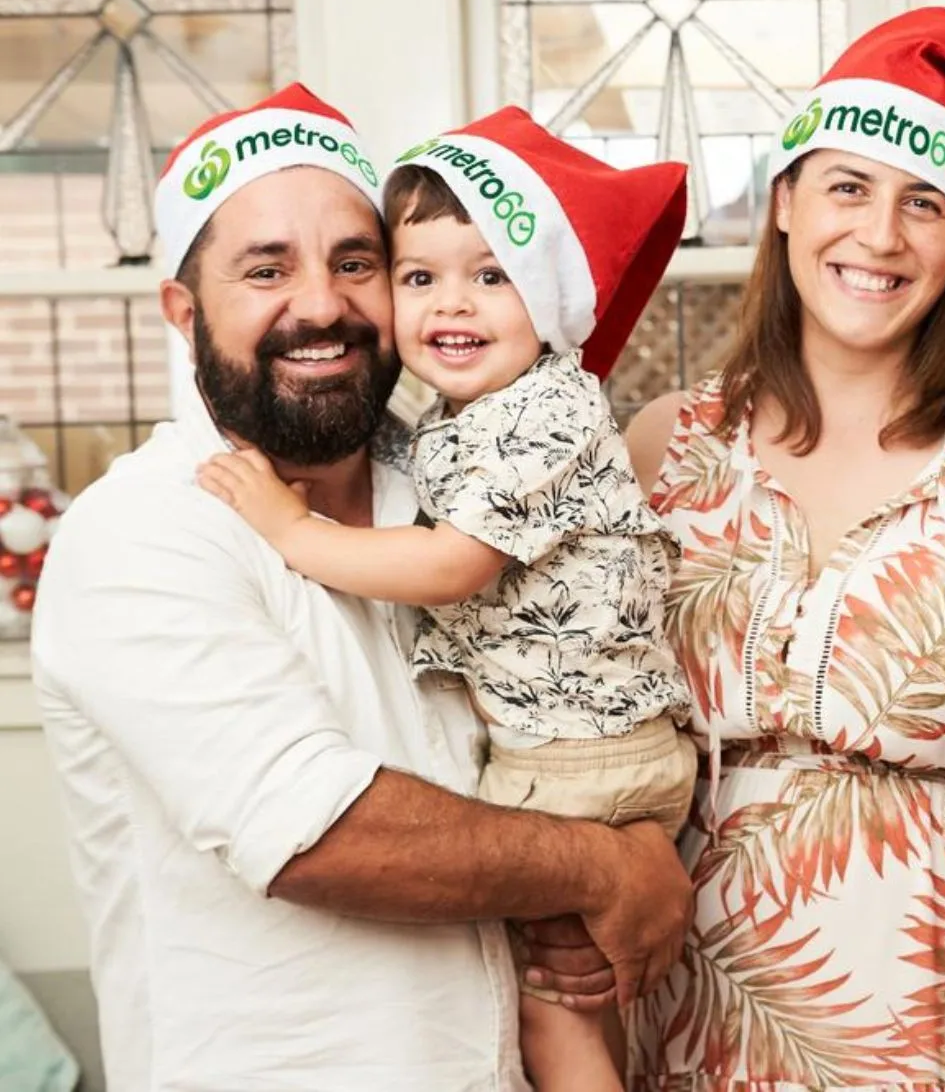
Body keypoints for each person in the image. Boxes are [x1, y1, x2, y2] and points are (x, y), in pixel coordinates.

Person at [30, 84, 691, 1091]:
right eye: (265, 269)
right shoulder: (142, 533)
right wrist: (604, 869)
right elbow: (321, 834)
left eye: (356, 262)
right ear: (183, 309)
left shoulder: (452, 479)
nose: (323, 304)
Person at [621, 7, 945, 1090]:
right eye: (847, 188)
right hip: (689, 1007)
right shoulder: (664, 448)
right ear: (783, 203)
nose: (879, 235)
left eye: (923, 203)